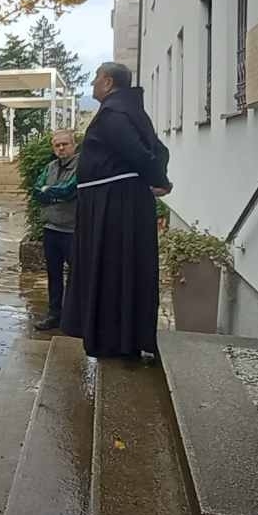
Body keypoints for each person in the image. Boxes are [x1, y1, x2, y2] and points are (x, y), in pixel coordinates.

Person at [61, 62, 172, 361]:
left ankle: (113, 339)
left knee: (111, 268)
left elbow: (142, 154)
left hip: (113, 207)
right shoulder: (128, 110)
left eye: (96, 79)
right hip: (113, 201)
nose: (92, 84)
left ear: (108, 82)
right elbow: (159, 151)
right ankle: (117, 336)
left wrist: (158, 180)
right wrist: (158, 180)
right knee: (115, 270)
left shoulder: (114, 114)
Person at [32, 129, 79, 331]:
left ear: (74, 145)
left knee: (77, 276)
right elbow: (37, 190)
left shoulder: (81, 166)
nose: (61, 148)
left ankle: (74, 318)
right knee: (54, 274)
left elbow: (70, 190)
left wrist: (50, 192)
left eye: (65, 144)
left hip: (72, 230)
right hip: (51, 228)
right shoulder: (50, 167)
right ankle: (54, 314)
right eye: (57, 145)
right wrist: (53, 194)